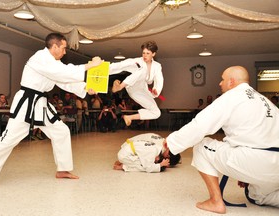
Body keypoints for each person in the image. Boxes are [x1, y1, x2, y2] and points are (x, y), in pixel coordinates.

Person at [0, 32, 102, 184]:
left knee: (61, 131)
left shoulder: (53, 63)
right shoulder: (40, 57)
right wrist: (90, 66)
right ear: (54, 46)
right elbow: (63, 73)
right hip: (27, 103)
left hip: (41, 104)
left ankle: (63, 169)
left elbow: (63, 80)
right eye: (63, 48)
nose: (64, 52)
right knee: (7, 141)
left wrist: (86, 88)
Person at [166, 66, 279, 214]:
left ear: (231, 82)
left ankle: (215, 201)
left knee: (201, 146)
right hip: (275, 167)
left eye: (222, 79)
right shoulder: (265, 101)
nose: (220, 83)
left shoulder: (231, 97)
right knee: (257, 195)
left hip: (254, 159)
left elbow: (199, 126)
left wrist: (170, 142)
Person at [109, 41, 163, 127]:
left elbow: (159, 79)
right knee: (143, 70)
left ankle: (129, 117)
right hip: (132, 85)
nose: (144, 55)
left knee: (156, 112)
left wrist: (156, 90)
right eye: (143, 53)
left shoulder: (157, 66)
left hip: (141, 91)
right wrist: (103, 69)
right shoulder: (137, 61)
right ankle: (120, 86)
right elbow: (121, 65)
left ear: (153, 54)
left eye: (147, 53)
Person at [114, 133, 181, 172]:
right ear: (167, 157)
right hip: (127, 150)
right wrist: (160, 165)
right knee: (144, 166)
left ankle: (126, 163)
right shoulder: (157, 148)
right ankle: (124, 166)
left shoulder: (161, 144)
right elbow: (148, 167)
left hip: (129, 147)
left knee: (147, 162)